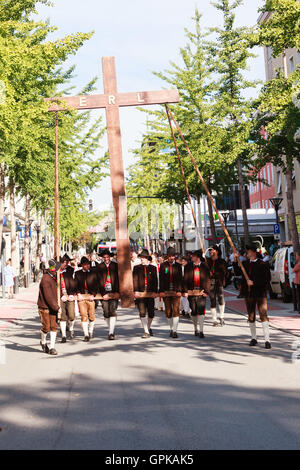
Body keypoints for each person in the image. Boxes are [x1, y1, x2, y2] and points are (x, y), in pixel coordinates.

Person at [234, 245, 272, 349]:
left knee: (263, 315)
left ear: (254, 252)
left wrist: (254, 283)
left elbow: (267, 279)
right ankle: (253, 338)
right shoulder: (245, 264)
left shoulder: (263, 264)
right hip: (249, 294)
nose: (247, 253)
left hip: (260, 293)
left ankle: (267, 340)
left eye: (249, 251)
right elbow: (237, 273)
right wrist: (235, 260)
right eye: (247, 251)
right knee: (251, 316)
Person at [183, 250, 210, 338]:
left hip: (201, 292)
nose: (192, 257)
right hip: (191, 291)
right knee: (193, 311)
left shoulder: (204, 266)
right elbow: (185, 279)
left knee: (201, 311)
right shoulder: (188, 266)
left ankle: (201, 330)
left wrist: (206, 291)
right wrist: (185, 291)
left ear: (198, 257)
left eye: (193, 256)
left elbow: (207, 279)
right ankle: (196, 328)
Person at [37, 259, 61, 355]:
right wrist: (57, 307)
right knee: (46, 327)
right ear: (51, 269)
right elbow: (48, 296)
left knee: (54, 327)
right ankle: (43, 342)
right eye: (55, 269)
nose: (56, 271)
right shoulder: (46, 279)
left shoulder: (53, 277)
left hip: (53, 306)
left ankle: (52, 347)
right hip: (45, 307)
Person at [133, 249, 158, 338]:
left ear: (147, 258)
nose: (142, 259)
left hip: (150, 292)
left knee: (151, 312)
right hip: (140, 292)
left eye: (143, 257)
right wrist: (135, 291)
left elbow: (155, 281)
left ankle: (148, 327)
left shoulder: (153, 268)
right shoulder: (137, 268)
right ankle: (146, 331)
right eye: (141, 257)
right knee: (142, 312)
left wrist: (155, 291)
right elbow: (134, 280)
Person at [159, 247, 183, 338]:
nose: (171, 257)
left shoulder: (178, 266)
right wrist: (161, 291)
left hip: (176, 291)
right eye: (170, 256)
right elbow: (160, 279)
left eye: (173, 256)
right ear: (167, 256)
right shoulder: (163, 266)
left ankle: (175, 331)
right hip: (166, 291)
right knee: (168, 311)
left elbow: (181, 279)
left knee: (176, 310)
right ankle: (171, 328)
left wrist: (180, 290)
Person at [75, 256, 99, 342]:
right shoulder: (78, 274)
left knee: (91, 315)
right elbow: (75, 285)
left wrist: (93, 294)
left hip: (90, 296)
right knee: (83, 315)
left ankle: (90, 331)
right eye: (85, 265)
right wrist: (78, 293)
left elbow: (97, 285)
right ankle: (86, 334)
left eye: (88, 264)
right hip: (81, 296)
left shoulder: (93, 273)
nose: (87, 266)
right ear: (82, 265)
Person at [98, 250, 120, 340]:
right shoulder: (100, 267)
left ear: (110, 257)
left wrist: (117, 292)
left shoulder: (115, 266)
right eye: (104, 257)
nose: (106, 259)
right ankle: (110, 328)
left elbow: (119, 279)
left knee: (113, 310)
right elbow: (98, 280)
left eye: (107, 257)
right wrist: (103, 293)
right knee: (106, 312)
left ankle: (111, 332)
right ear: (103, 258)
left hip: (114, 291)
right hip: (104, 292)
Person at [207, 245, 227, 327]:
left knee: (221, 298)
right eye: (210, 250)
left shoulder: (222, 261)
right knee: (212, 300)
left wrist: (214, 274)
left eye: (213, 250)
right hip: (210, 283)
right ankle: (214, 319)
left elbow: (224, 272)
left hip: (219, 282)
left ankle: (221, 317)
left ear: (217, 252)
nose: (211, 251)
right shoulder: (208, 261)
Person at [59, 254, 77, 342]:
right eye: (63, 262)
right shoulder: (55, 271)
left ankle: (71, 328)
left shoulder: (70, 270)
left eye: (67, 262)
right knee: (62, 316)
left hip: (69, 294)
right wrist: (60, 296)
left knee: (71, 315)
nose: (65, 264)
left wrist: (71, 294)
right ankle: (63, 335)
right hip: (60, 296)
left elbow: (73, 283)